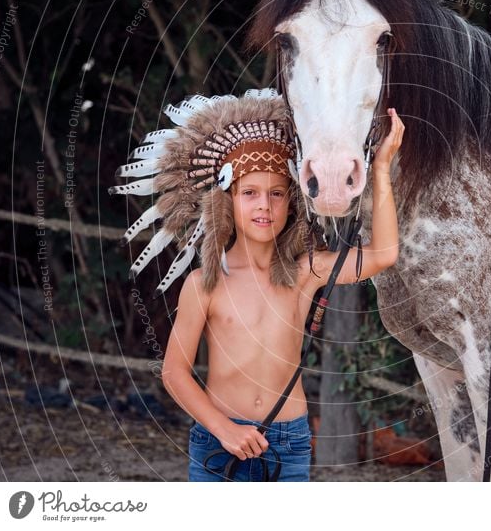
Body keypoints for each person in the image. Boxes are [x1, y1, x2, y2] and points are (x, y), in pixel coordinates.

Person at [159, 103, 405, 481]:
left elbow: (384, 253)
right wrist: (223, 428)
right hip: (218, 440)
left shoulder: (306, 271)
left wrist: (383, 169)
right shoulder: (205, 283)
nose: (264, 205)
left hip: (287, 440)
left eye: (276, 193)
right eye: (250, 193)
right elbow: (175, 372)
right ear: (228, 200)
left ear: (291, 202)